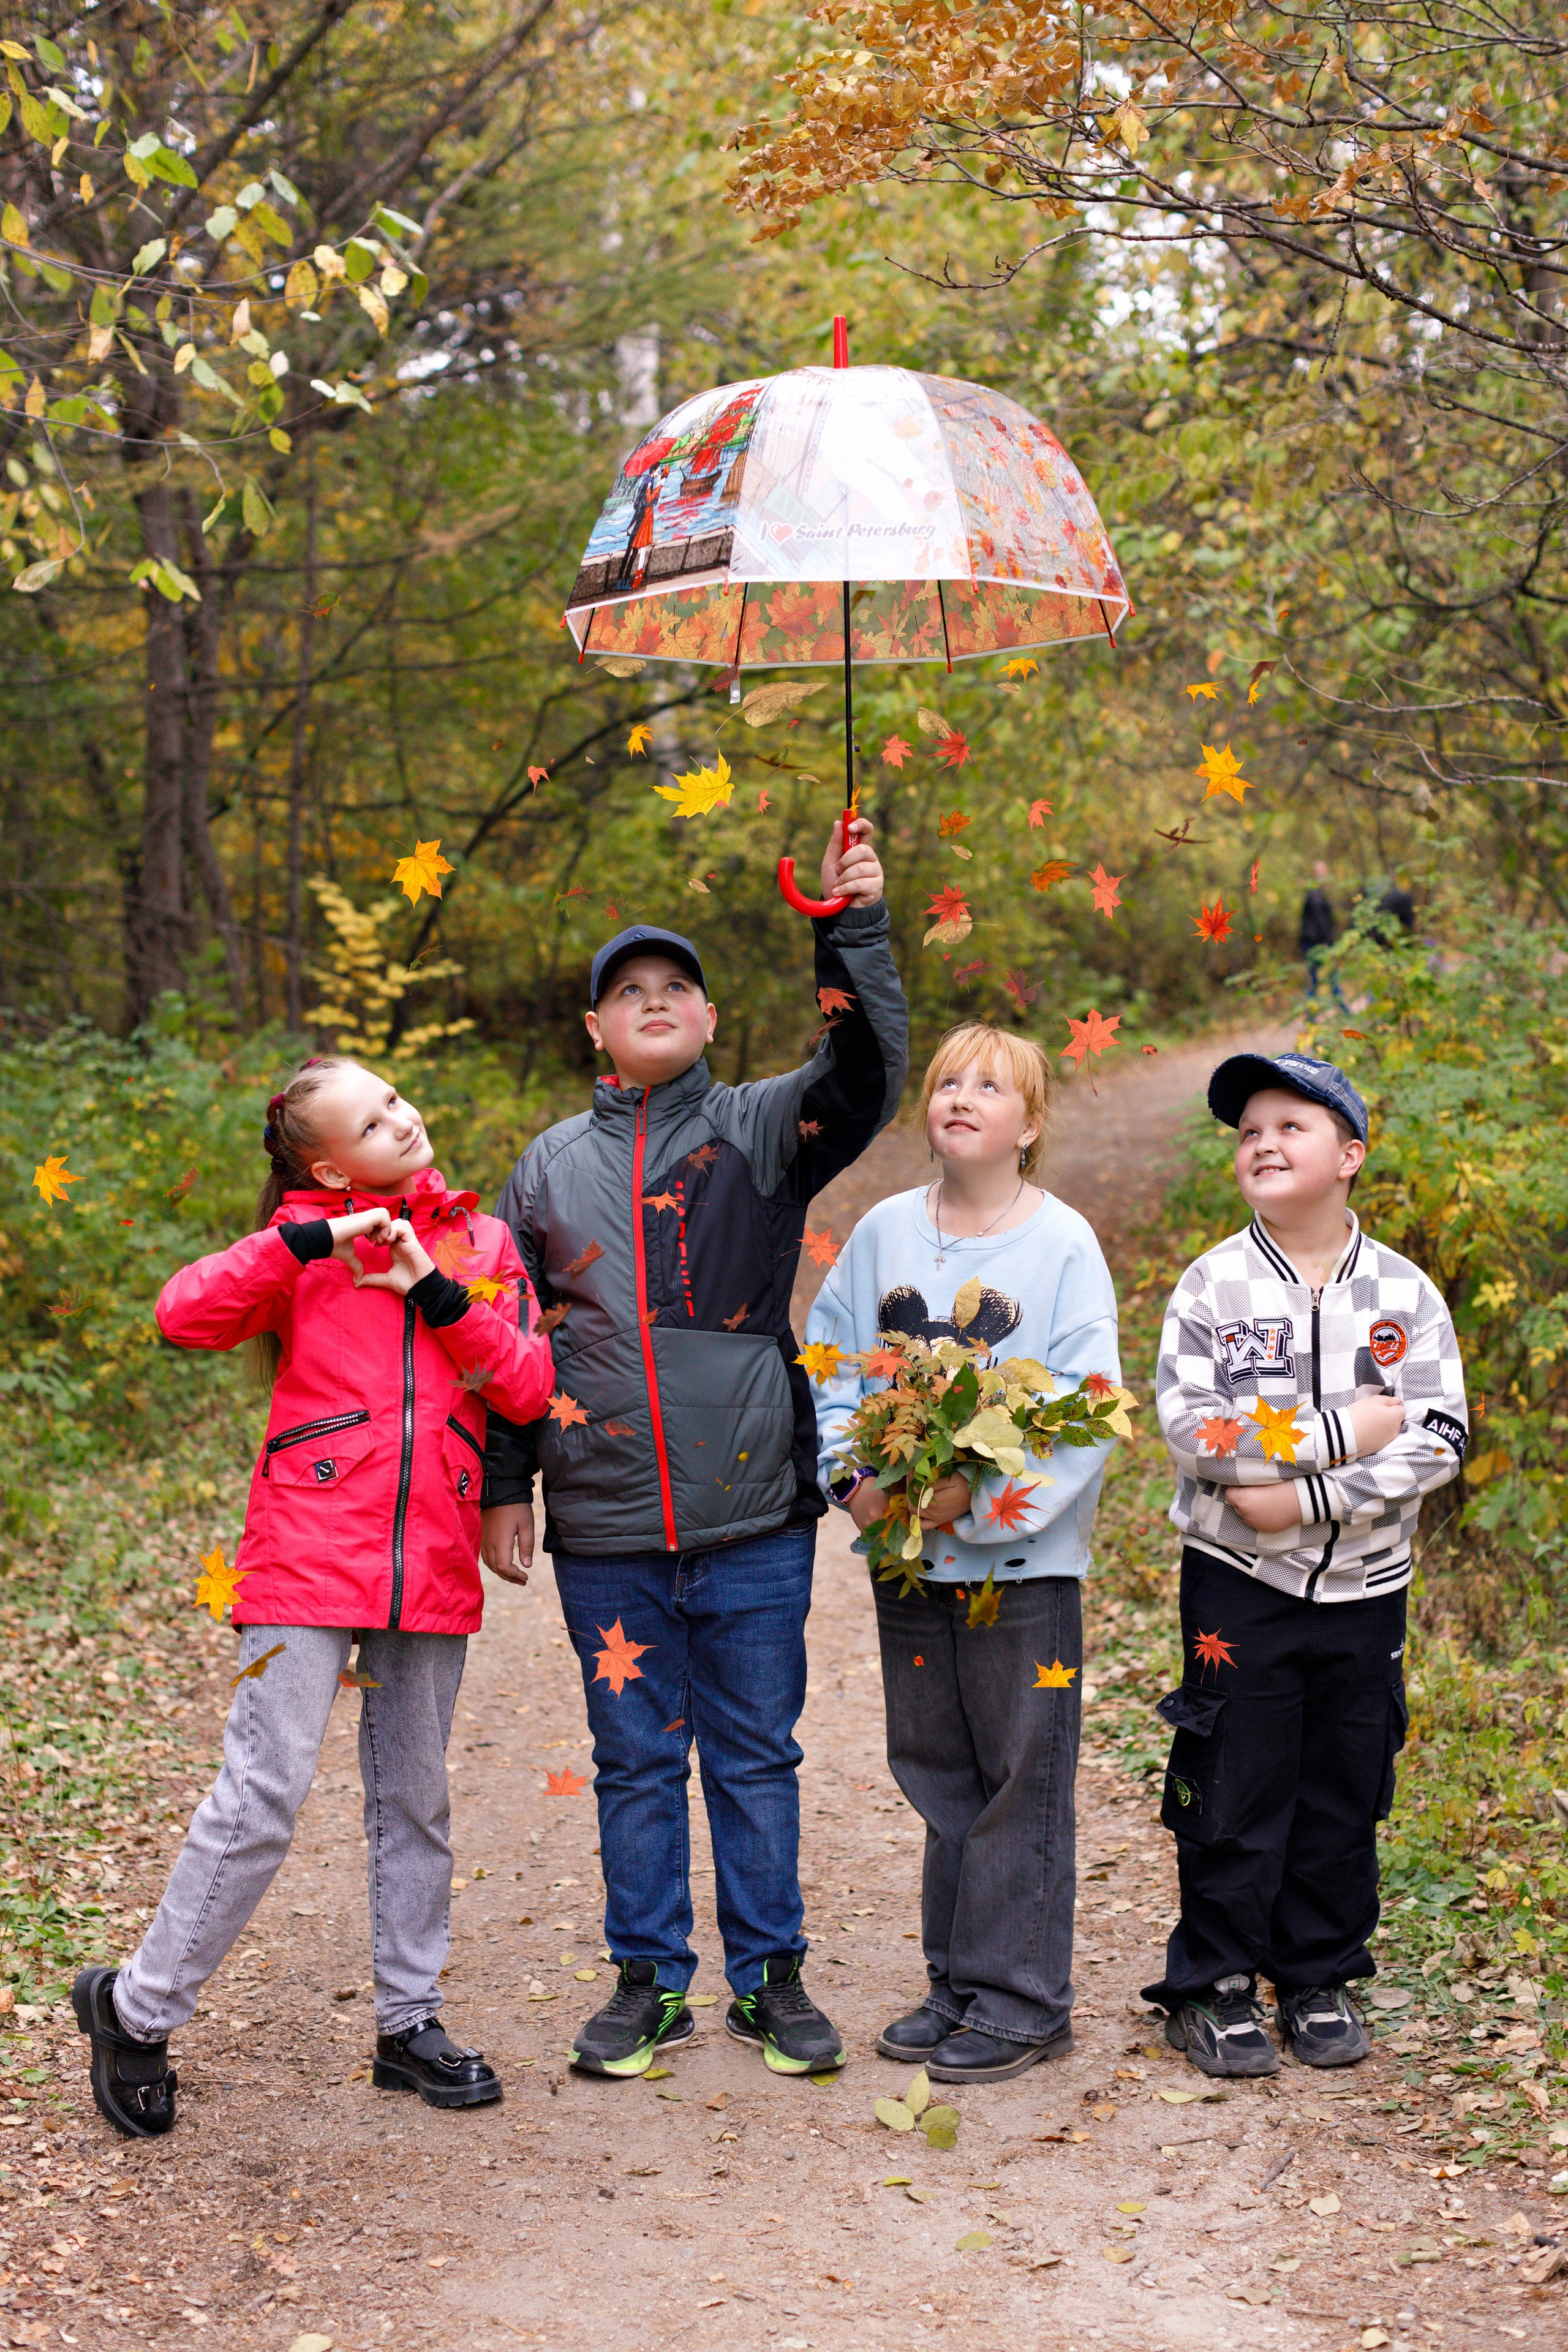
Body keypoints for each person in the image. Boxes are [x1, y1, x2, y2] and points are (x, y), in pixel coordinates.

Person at [481, 819, 908, 2080]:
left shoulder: (761, 1128)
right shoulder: (545, 1171)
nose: (654, 1002)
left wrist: (850, 927)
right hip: (604, 1522)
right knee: (632, 1761)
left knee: (755, 1754)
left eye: (676, 987)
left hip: (752, 1519)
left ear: (711, 1019)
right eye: (630, 992)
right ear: (596, 1029)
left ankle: (770, 1979)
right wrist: (505, 1483)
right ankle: (648, 1981)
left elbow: (865, 1068)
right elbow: (505, 1337)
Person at [74, 1058, 554, 2138]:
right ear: (329, 1168)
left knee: (415, 1798)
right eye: (371, 1124)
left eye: (396, 1101)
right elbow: (182, 1315)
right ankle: (137, 2010)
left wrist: (432, 1289)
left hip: (430, 1553)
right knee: (265, 1791)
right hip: (304, 1549)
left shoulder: (480, 1244)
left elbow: (527, 1384)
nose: (402, 1121)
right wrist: (311, 1240)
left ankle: (408, 2024)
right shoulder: (300, 1246)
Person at [805, 1024, 1120, 2084]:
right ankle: (957, 1982)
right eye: (946, 1080)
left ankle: (1023, 2000)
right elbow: (830, 1367)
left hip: (1022, 1570)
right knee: (938, 1769)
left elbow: (1089, 1403)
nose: (961, 1096)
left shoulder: (1062, 1243)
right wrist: (859, 1487)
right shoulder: (885, 1233)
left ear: (1029, 1126)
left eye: (990, 1085)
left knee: (1021, 1774)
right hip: (908, 1559)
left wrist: (974, 1502)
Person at [1145, 1051, 1467, 2077]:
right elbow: (1197, 1433)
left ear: (1350, 1155)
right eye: (1250, 1132)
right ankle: (1215, 1984)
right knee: (1232, 1780)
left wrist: (1306, 1496)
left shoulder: (1404, 1291)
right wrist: (1340, 1433)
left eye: (1292, 1126)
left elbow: (1439, 1436)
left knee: (1342, 1784)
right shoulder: (1215, 1284)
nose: (1265, 1144)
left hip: (1368, 1589)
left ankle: (1318, 1975)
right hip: (1240, 1586)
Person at [1298, 861, 1346, 1006]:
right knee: (1326, 979)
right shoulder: (1316, 895)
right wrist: (1328, 944)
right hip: (1316, 944)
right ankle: (1345, 1012)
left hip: (1314, 943)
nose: (1324, 874)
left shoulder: (1317, 893)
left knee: (1318, 981)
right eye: (1320, 872)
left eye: (1324, 871)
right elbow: (1321, 923)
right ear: (1315, 874)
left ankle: (1314, 1014)